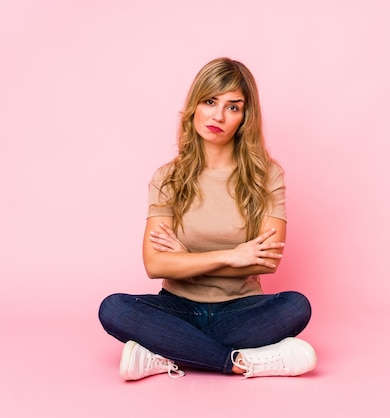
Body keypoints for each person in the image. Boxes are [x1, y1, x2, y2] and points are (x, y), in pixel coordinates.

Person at [98, 57, 316, 381]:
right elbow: (155, 265)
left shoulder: (266, 176)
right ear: (195, 105)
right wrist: (233, 255)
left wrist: (185, 259)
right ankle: (241, 362)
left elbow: (266, 262)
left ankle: (165, 351)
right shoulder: (168, 177)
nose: (218, 115)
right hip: (178, 307)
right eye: (210, 101)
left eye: (233, 107)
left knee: (297, 306)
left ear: (245, 118)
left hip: (241, 308)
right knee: (113, 308)